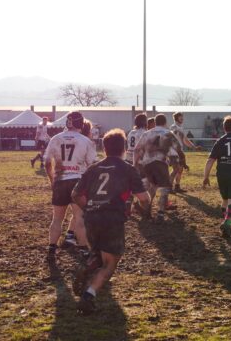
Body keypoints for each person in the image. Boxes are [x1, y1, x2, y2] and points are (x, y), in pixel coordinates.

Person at [71, 128, 151, 314]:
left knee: (99, 251)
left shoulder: (94, 168)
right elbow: (144, 198)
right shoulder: (128, 169)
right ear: (124, 148)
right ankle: (88, 295)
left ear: (104, 149)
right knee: (110, 263)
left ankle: (88, 265)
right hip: (112, 219)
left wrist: (90, 207)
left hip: (91, 217)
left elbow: (75, 194)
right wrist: (142, 209)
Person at [44, 112, 97, 258]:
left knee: (57, 219)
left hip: (60, 180)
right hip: (78, 181)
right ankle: (84, 249)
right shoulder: (85, 141)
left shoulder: (55, 138)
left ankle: (51, 249)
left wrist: (52, 181)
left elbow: (47, 163)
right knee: (79, 217)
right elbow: (92, 165)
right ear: (81, 124)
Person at [134, 114, 187, 223]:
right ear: (165, 123)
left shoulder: (146, 133)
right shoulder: (168, 133)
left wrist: (135, 164)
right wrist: (182, 159)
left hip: (147, 164)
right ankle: (160, 214)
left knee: (152, 186)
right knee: (165, 188)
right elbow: (178, 148)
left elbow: (137, 149)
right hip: (160, 163)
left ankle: (147, 210)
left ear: (155, 122)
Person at [169, 112, 201, 193]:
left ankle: (177, 186)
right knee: (176, 169)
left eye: (182, 117)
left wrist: (194, 147)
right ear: (176, 118)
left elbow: (185, 140)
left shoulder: (181, 128)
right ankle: (169, 187)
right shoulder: (173, 127)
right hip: (174, 151)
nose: (182, 119)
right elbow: (173, 137)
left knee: (180, 169)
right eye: (180, 117)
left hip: (180, 151)